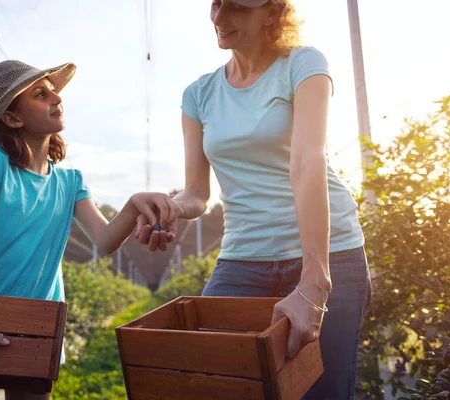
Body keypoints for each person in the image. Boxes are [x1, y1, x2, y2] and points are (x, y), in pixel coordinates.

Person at [136, 0, 371, 398]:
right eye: (216, 4)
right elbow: (198, 192)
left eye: (238, 8)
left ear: (271, 12)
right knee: (221, 383)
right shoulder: (199, 94)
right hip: (242, 259)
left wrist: (315, 282)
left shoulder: (303, 64)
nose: (220, 19)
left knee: (320, 390)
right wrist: (171, 206)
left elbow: (307, 161)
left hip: (329, 254)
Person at [0, 59, 179, 400]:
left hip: (36, 326)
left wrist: (136, 202)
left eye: (53, 91)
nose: (56, 98)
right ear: (12, 118)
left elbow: (106, 239)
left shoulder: (70, 181)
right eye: (40, 94)